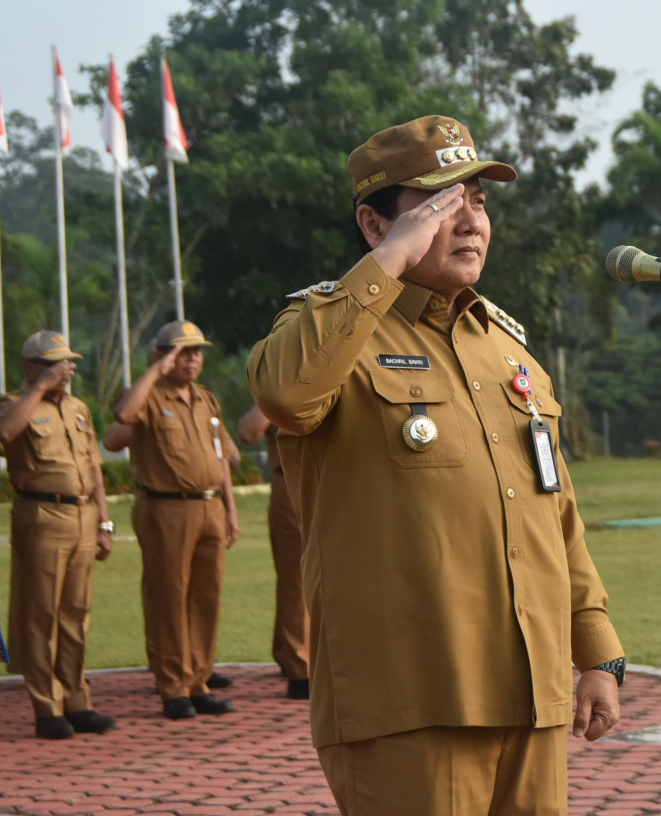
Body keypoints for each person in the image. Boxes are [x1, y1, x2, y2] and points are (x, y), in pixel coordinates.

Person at [247, 115, 625, 815]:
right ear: (374, 222)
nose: (470, 221)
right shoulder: (333, 334)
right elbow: (285, 394)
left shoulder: (508, 352)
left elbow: (555, 513)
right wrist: (389, 262)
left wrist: (597, 653)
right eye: (441, 203)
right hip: (411, 700)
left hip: (530, 695)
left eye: (478, 201)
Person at [0, 330, 117, 740]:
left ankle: (78, 701)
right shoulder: (14, 404)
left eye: (67, 362)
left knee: (77, 615)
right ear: (32, 367)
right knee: (40, 614)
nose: (67, 369)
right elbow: (5, 433)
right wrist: (41, 387)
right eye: (54, 363)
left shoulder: (78, 407)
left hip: (82, 515)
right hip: (41, 514)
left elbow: (94, 466)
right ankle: (47, 707)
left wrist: (104, 521)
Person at [112, 320, 240, 720]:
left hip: (210, 507)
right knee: (169, 598)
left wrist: (231, 510)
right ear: (164, 356)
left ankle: (199, 681)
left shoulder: (205, 399)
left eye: (197, 352)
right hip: (167, 509)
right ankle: (173, 687)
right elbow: (123, 413)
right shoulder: (151, 396)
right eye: (182, 352)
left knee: (206, 597)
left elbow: (223, 459)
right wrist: (155, 370)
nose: (192, 359)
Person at [236, 404, 309, 700]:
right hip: (291, 481)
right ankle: (300, 670)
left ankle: (289, 652)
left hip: (332, 481)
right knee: (296, 581)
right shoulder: (278, 393)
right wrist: (277, 394)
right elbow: (248, 432)